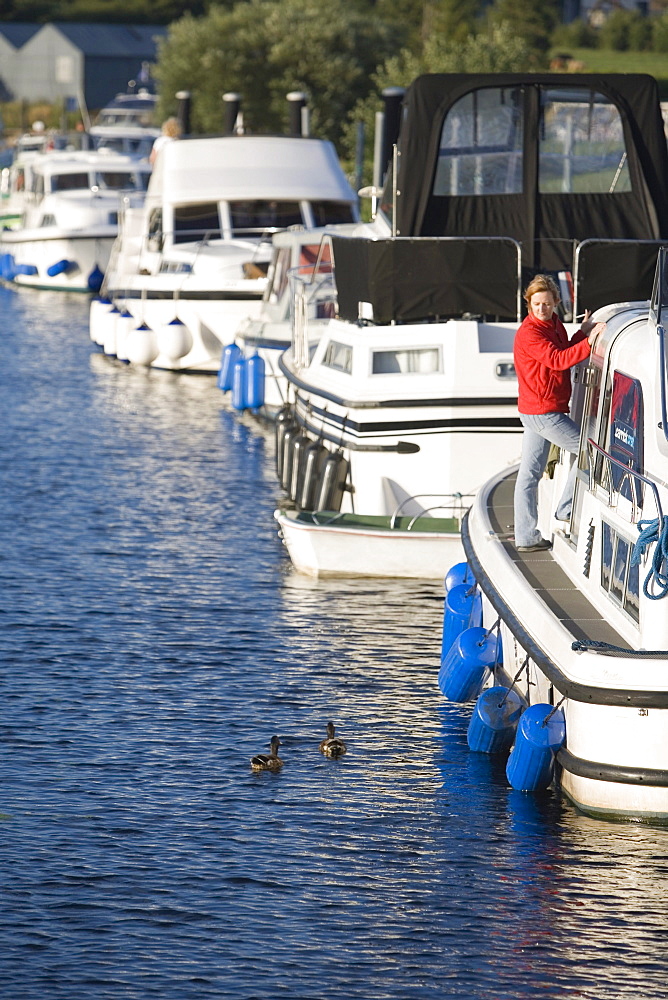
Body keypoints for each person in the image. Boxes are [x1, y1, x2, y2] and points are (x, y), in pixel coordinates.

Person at [513, 274, 605, 552]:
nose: (542, 308)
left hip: (538, 409)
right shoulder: (530, 333)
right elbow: (556, 359)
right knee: (592, 451)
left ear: (555, 303)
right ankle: (566, 509)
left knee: (529, 475)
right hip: (543, 412)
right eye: (537, 304)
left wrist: (582, 332)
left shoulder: (552, 324)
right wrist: (589, 343)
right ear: (529, 304)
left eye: (547, 303)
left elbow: (563, 348)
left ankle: (527, 538)